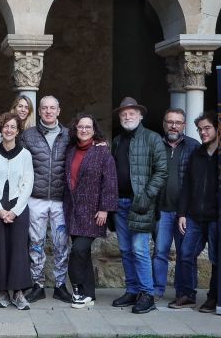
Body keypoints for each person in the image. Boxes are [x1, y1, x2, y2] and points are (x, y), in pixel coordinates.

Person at [110, 97, 168, 314]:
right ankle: (132, 290)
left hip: (141, 204)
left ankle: (147, 294)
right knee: (125, 250)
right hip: (120, 203)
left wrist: (146, 196)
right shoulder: (117, 140)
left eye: (132, 113)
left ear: (140, 115)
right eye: (124, 113)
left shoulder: (152, 139)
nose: (127, 116)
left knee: (140, 249)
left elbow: (162, 171)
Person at [19, 96, 72, 303]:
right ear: (39, 111)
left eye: (52, 108)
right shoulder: (28, 136)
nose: (48, 112)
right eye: (44, 108)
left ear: (58, 111)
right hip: (36, 198)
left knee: (61, 244)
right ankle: (37, 285)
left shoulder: (69, 135)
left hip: (60, 199)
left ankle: (60, 285)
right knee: (36, 243)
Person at [0, 113, 34, 310]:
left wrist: (16, 211)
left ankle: (18, 293)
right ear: (0, 130)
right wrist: (0, 210)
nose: (9, 130)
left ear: (18, 131)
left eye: (13, 127)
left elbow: (28, 184)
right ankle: (2, 291)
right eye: (5, 127)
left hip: (18, 206)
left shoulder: (25, 155)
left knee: (18, 249)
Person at [63, 114, 118, 308]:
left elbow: (110, 181)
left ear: (94, 130)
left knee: (79, 251)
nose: (84, 130)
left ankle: (78, 287)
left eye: (88, 127)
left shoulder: (102, 152)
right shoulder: (70, 150)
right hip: (73, 211)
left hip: (93, 212)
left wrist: (105, 208)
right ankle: (89, 294)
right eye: (81, 127)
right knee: (83, 253)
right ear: (75, 129)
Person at [174, 111, 220, 313]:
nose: (202, 132)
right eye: (200, 129)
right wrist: (182, 213)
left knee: (216, 259)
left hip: (217, 218)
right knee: (185, 254)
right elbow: (187, 186)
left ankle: (213, 298)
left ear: (218, 129)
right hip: (193, 216)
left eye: (207, 128)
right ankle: (188, 295)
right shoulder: (197, 154)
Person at [155, 108, 200, 304]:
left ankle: (185, 292)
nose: (173, 125)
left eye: (178, 122)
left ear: (184, 125)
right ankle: (156, 290)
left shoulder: (194, 147)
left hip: (186, 212)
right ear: (164, 124)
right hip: (162, 210)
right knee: (160, 251)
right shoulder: (156, 144)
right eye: (169, 121)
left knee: (185, 253)